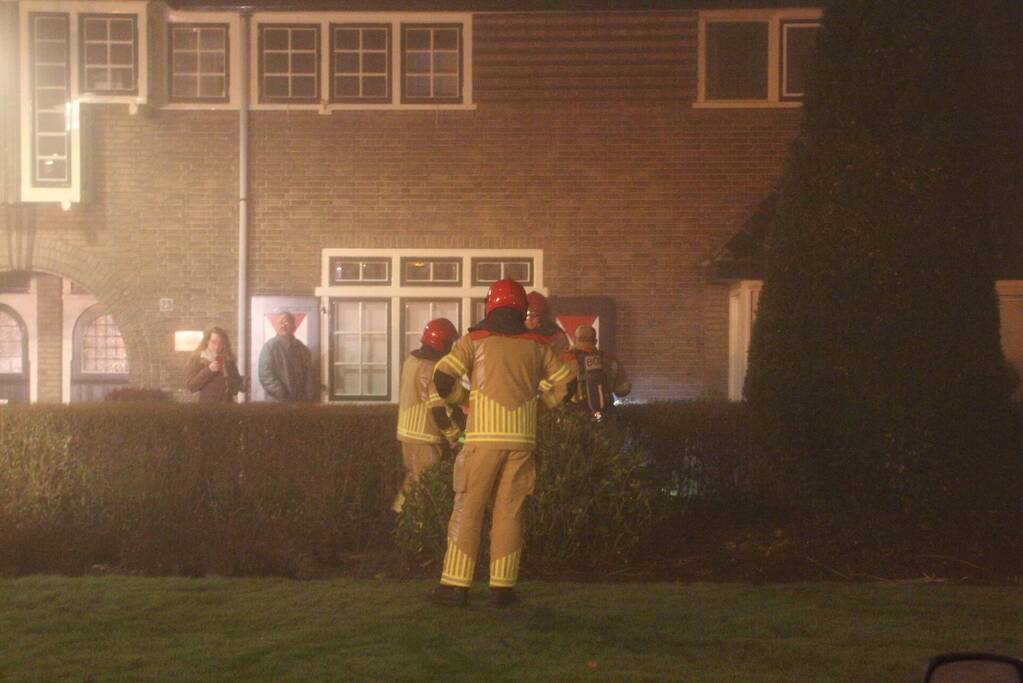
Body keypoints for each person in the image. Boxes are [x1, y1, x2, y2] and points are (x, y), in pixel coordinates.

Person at [429, 279, 573, 608]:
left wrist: (465, 398)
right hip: (522, 439)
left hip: (482, 439)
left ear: (489, 306)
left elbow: (442, 377)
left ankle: (455, 586)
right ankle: (503, 588)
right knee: (511, 512)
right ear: (522, 308)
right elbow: (567, 383)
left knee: (469, 508)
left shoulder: (473, 340)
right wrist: (539, 405)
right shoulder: (538, 344)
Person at [392, 318, 464, 514]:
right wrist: (454, 437)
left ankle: (401, 518)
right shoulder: (432, 368)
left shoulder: (411, 362)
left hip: (407, 433)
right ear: (443, 343)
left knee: (414, 478)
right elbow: (438, 411)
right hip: (424, 435)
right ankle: (417, 525)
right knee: (425, 483)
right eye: (450, 344)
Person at [564, 324, 631, 418]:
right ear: (595, 341)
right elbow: (622, 390)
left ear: (576, 340)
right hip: (606, 415)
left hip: (575, 417)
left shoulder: (565, 359)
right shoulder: (610, 359)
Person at [258, 311, 317, 402]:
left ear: (293, 326)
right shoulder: (269, 347)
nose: (283, 325)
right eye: (280, 323)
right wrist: (282, 393)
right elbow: (265, 374)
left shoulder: (302, 349)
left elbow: (309, 375)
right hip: (277, 402)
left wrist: (308, 396)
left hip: (299, 402)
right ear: (276, 327)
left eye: (286, 322)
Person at [185, 326, 242, 402]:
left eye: (221, 343)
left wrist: (230, 377)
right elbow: (191, 387)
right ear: (207, 341)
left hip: (228, 406)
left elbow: (236, 388)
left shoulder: (228, 358)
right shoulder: (197, 358)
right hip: (208, 408)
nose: (217, 346)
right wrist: (209, 370)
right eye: (213, 342)